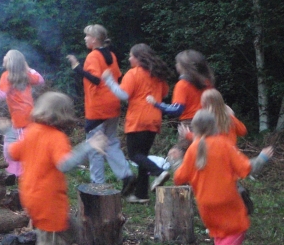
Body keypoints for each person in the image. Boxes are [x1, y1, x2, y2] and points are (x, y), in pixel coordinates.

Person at [9, 92, 106, 245]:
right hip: (48, 200)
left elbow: (13, 153)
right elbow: (65, 164)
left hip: (32, 196)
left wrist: (8, 132)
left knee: (71, 228)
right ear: (63, 115)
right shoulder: (56, 137)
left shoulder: (31, 131)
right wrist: (88, 146)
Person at [173, 110, 274, 245]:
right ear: (215, 126)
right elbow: (245, 168)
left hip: (204, 204)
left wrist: (175, 161)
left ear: (195, 128)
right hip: (227, 200)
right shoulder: (224, 144)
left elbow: (179, 178)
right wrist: (262, 158)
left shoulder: (193, 149)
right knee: (239, 228)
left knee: (220, 234)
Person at [67, 24, 135, 195]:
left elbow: (96, 80)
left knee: (94, 146)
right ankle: (126, 175)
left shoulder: (93, 56)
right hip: (113, 105)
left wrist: (77, 67)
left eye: (87, 36)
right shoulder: (111, 55)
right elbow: (116, 76)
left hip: (97, 108)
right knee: (110, 142)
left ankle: (97, 185)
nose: (85, 38)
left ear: (95, 39)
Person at [102, 43, 172, 203]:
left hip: (138, 119)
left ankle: (159, 172)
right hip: (154, 119)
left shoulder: (133, 73)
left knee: (135, 155)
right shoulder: (157, 75)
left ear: (139, 58)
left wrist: (109, 81)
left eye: (131, 56)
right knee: (142, 157)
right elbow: (165, 93)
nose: (129, 58)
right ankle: (141, 195)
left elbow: (123, 95)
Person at [0, 49, 44, 177]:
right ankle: (16, 172)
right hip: (27, 117)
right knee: (13, 144)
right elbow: (40, 80)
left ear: (10, 61)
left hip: (22, 120)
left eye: (6, 55)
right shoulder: (24, 75)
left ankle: (18, 174)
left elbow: (0, 95)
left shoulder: (7, 76)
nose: (3, 56)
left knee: (17, 147)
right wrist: (28, 68)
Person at [147, 49, 214, 160]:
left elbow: (176, 109)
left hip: (190, 123)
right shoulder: (207, 83)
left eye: (178, 63)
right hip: (209, 120)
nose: (176, 65)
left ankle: (176, 169)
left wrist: (157, 104)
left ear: (184, 66)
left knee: (180, 150)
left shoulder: (182, 85)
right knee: (205, 149)